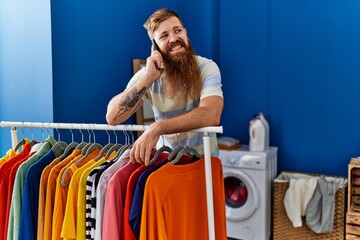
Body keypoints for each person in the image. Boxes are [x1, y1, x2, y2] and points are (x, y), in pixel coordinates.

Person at [106, 8, 223, 166]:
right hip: (166, 165)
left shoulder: (206, 67)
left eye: (178, 30)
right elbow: (113, 117)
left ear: (186, 33)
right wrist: (148, 78)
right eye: (164, 35)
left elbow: (211, 114)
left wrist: (158, 127)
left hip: (206, 166)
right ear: (155, 47)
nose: (174, 38)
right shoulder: (147, 75)